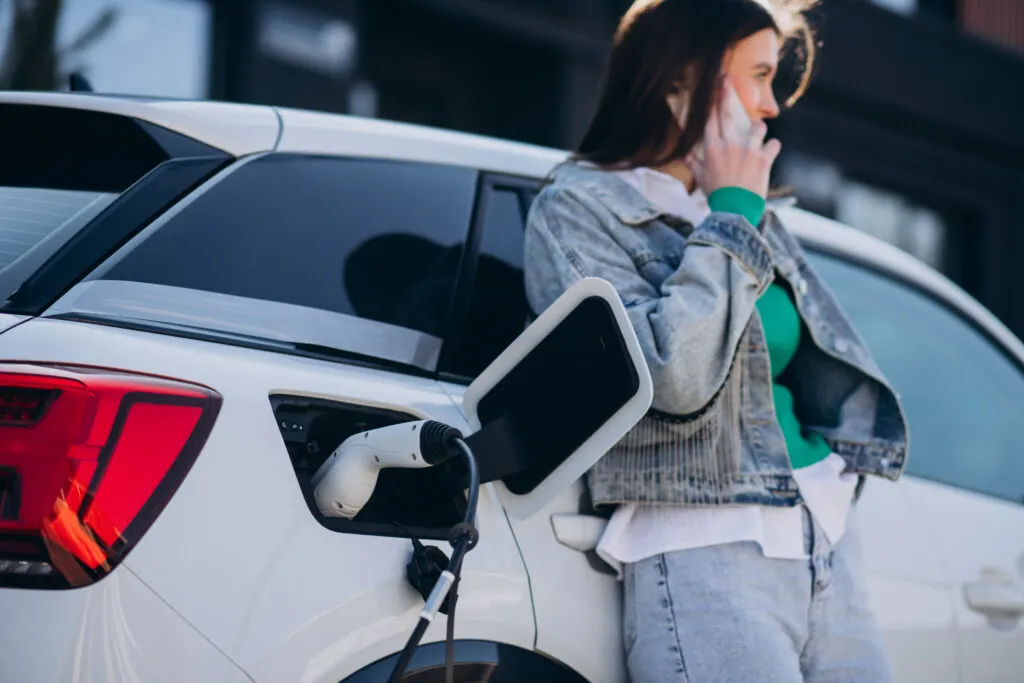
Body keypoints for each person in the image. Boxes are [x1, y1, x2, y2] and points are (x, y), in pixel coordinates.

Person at [522, 1, 910, 682]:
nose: (769, 106)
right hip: (708, 545)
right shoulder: (579, 209)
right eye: (758, 75)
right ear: (683, 75)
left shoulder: (739, 204)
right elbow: (668, 376)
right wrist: (732, 217)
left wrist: (733, 207)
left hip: (823, 536)